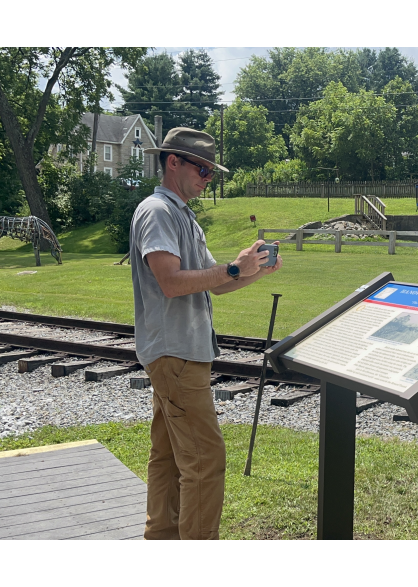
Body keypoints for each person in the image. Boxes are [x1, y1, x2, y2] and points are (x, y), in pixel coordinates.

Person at [132, 128, 282, 540]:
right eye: (202, 168)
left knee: (167, 456)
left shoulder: (182, 216)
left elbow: (213, 282)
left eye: (212, 172)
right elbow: (170, 281)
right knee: (205, 460)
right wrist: (233, 268)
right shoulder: (158, 211)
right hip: (176, 354)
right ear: (173, 162)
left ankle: (160, 534)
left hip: (179, 353)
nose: (207, 177)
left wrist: (252, 271)